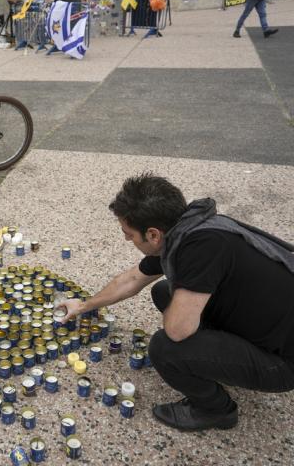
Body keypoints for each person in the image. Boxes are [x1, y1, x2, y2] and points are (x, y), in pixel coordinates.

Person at [61, 173, 294, 431]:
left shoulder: (200, 249)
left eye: (129, 235)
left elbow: (177, 330)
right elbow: (132, 279)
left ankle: (215, 411)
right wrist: (82, 306)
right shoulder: (189, 228)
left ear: (153, 235)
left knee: (165, 348)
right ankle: (219, 356)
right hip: (267, 324)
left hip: (282, 362)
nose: (127, 240)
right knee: (164, 292)